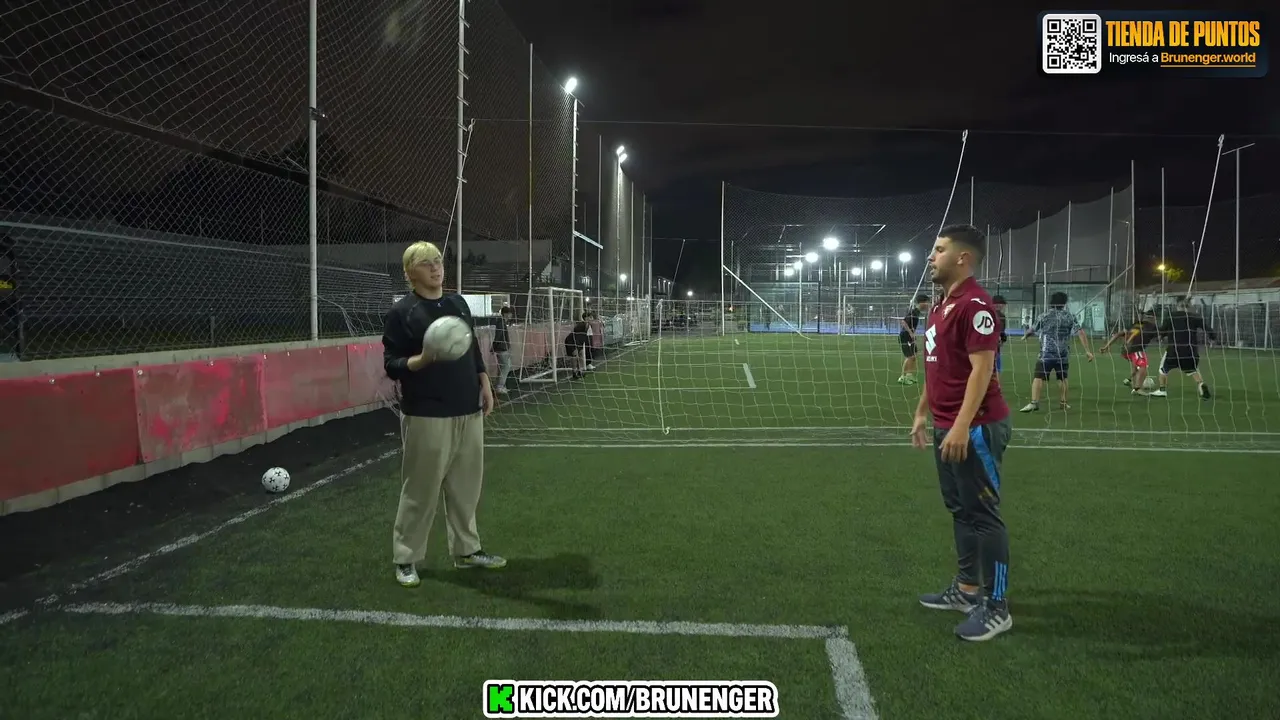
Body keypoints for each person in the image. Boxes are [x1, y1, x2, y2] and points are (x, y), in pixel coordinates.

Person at [909, 224, 1013, 642]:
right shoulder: (940, 306)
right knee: (960, 509)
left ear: (962, 258)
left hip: (977, 427)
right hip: (947, 425)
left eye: (939, 250)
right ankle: (968, 590)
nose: (931, 257)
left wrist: (962, 425)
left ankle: (998, 606)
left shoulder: (976, 304)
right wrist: (922, 414)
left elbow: (982, 370)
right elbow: (937, 368)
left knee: (984, 515)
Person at [382, 241, 504, 588]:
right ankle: (406, 558)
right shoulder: (402, 313)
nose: (436, 267)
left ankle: (467, 551)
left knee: (466, 487)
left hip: (468, 409)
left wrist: (484, 382)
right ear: (410, 272)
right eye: (426, 263)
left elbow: (472, 348)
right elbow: (391, 365)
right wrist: (421, 361)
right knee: (421, 489)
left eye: (437, 260)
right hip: (427, 413)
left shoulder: (457, 304)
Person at [1018, 292, 1094, 412]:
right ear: (1064, 303)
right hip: (1062, 354)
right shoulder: (1070, 316)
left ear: (1051, 302)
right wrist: (1087, 351)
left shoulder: (1044, 315)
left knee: (1038, 377)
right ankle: (1063, 402)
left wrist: (1025, 336)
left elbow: (1032, 329)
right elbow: (1080, 332)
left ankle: (1034, 403)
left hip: (1046, 353)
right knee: (1062, 378)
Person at [1152, 296, 1214, 400]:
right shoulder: (1195, 317)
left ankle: (1162, 390)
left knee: (1163, 369)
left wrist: (1160, 336)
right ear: (1188, 306)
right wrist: (1212, 338)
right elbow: (1208, 328)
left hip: (1174, 351)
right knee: (1193, 370)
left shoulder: (1171, 316)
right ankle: (1201, 384)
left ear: (1177, 305)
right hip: (1190, 351)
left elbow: (1162, 330)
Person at [1099, 310, 1159, 395]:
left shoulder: (1135, 324)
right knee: (1143, 367)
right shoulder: (1152, 326)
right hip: (1136, 348)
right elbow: (1159, 337)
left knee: (1137, 367)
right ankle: (1137, 389)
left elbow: (1118, 334)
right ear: (1153, 318)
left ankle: (1131, 382)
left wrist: (1106, 346)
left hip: (1125, 350)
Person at [897, 295, 931, 385]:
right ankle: (902, 377)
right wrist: (911, 333)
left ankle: (909, 375)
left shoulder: (917, 312)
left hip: (909, 336)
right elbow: (903, 322)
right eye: (927, 302)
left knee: (914, 356)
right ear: (921, 303)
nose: (928, 304)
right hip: (905, 336)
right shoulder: (914, 312)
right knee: (910, 356)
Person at [492, 304, 514, 396]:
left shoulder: (502, 322)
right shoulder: (501, 322)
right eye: (510, 313)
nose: (511, 315)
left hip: (502, 348)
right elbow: (498, 335)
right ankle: (499, 387)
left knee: (503, 367)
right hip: (502, 348)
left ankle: (498, 386)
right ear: (505, 314)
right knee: (505, 367)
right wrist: (494, 346)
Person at [564, 312, 589, 378]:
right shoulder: (581, 325)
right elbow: (575, 333)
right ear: (586, 318)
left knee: (581, 354)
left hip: (579, 341)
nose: (591, 319)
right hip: (571, 341)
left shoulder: (587, 325)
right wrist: (576, 347)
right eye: (590, 317)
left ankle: (580, 370)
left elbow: (583, 336)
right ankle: (574, 372)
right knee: (575, 356)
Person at [991, 295, 1009, 380]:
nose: (1003, 306)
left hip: (983, 345)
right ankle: (996, 385)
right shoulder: (1000, 315)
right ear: (998, 304)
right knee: (997, 368)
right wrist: (1002, 339)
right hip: (995, 346)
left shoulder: (986, 312)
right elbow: (1000, 331)